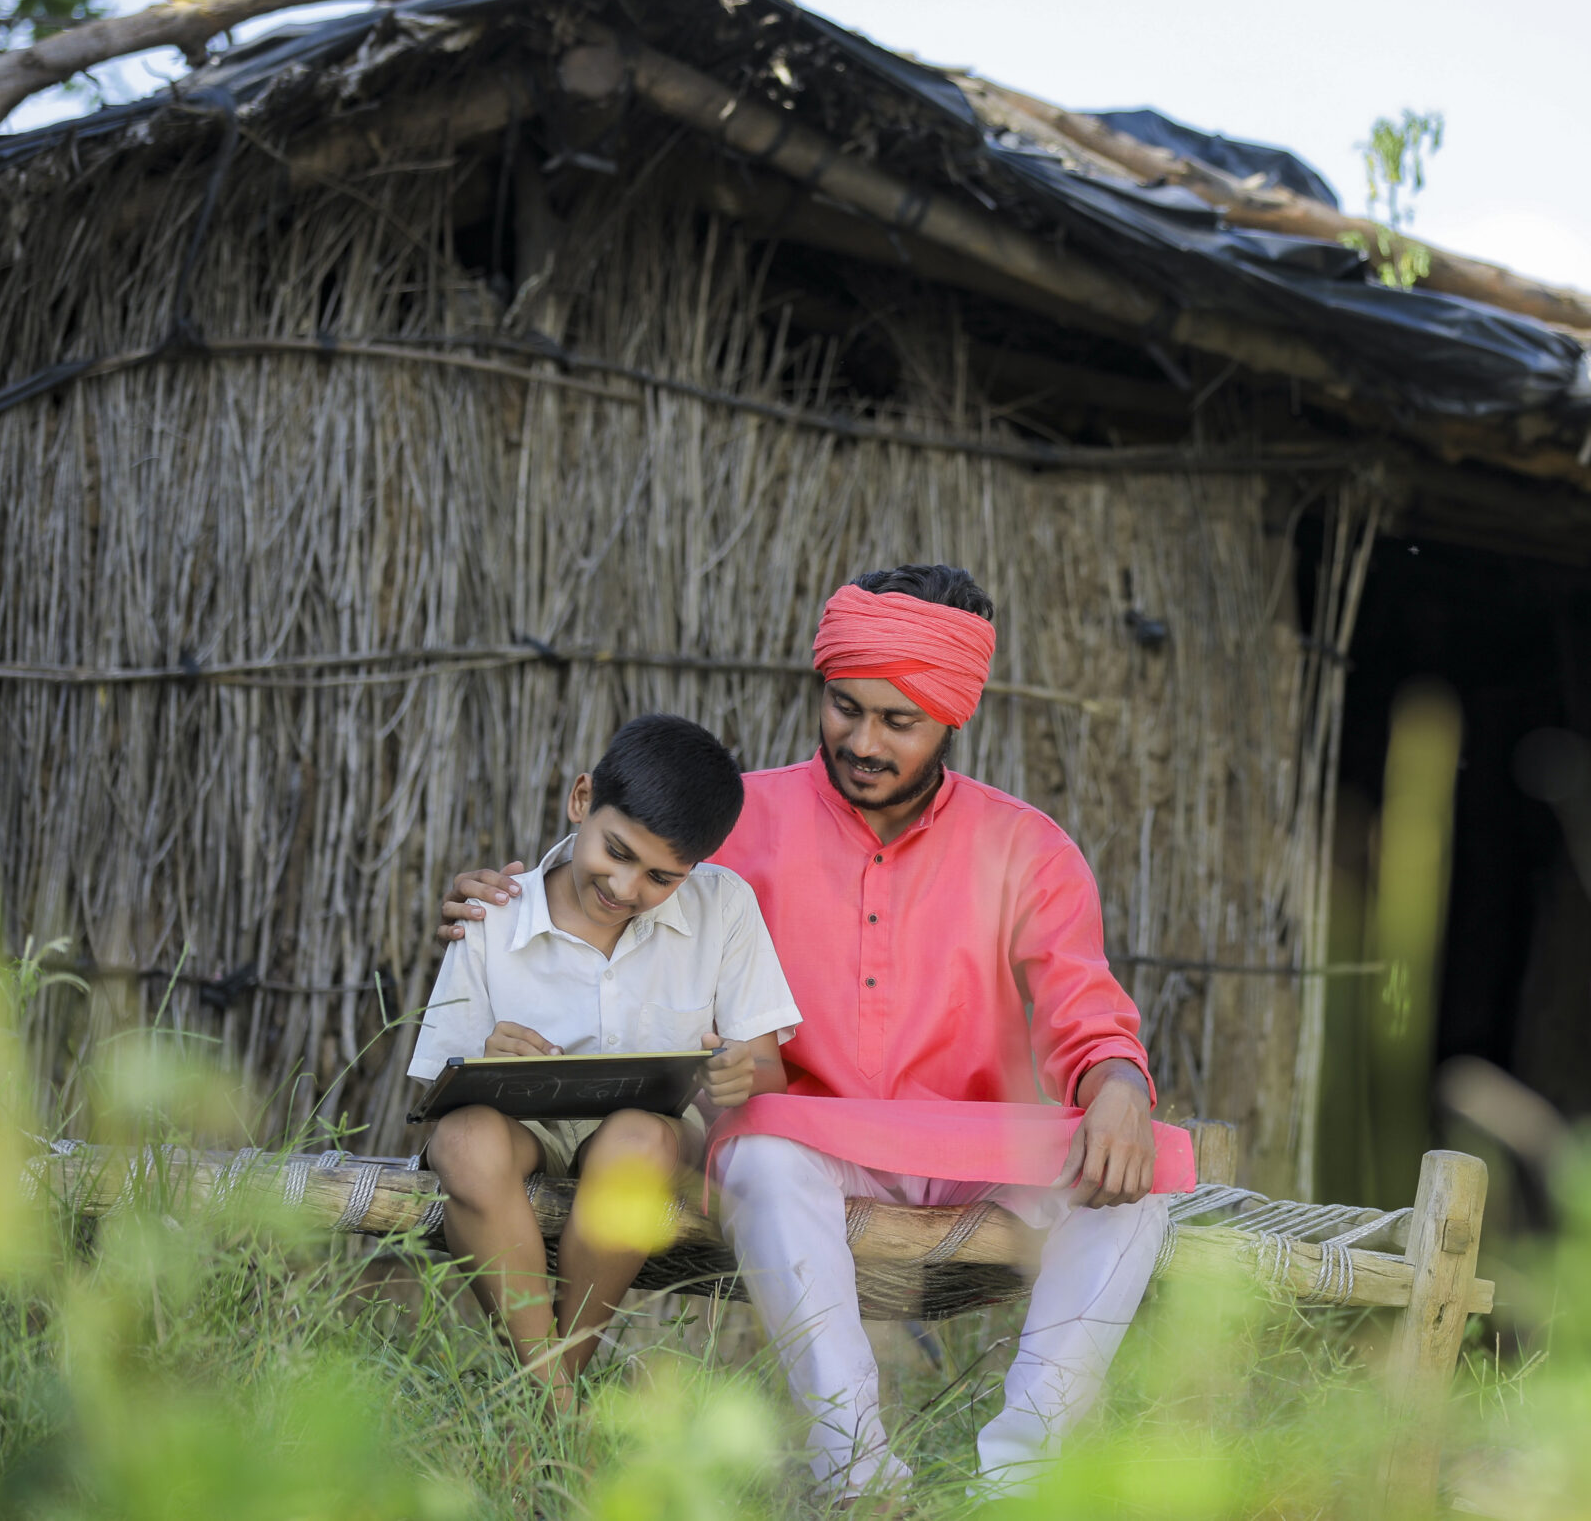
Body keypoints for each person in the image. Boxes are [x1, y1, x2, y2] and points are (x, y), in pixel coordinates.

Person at [440, 565, 1193, 1498]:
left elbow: (1085, 1011)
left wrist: (1117, 1078)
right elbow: (614, 881)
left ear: (952, 718)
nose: (863, 740)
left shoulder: (1030, 848)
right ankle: (860, 1478)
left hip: (976, 1141)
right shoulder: (739, 820)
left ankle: (1021, 1482)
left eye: (897, 720)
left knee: (1138, 1177)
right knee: (762, 1155)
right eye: (845, 707)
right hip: (800, 1138)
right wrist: (510, 898)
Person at [410, 713, 800, 1411]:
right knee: (464, 1139)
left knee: (638, 1134)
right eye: (615, 852)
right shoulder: (496, 910)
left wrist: (739, 1071)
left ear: (695, 869)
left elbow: (766, 1067)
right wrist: (486, 1054)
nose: (624, 886)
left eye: (660, 876)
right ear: (582, 800)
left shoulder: (725, 906)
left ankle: (546, 1400)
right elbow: (435, 1087)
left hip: (646, 1143)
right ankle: (561, 1406)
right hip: (519, 1132)